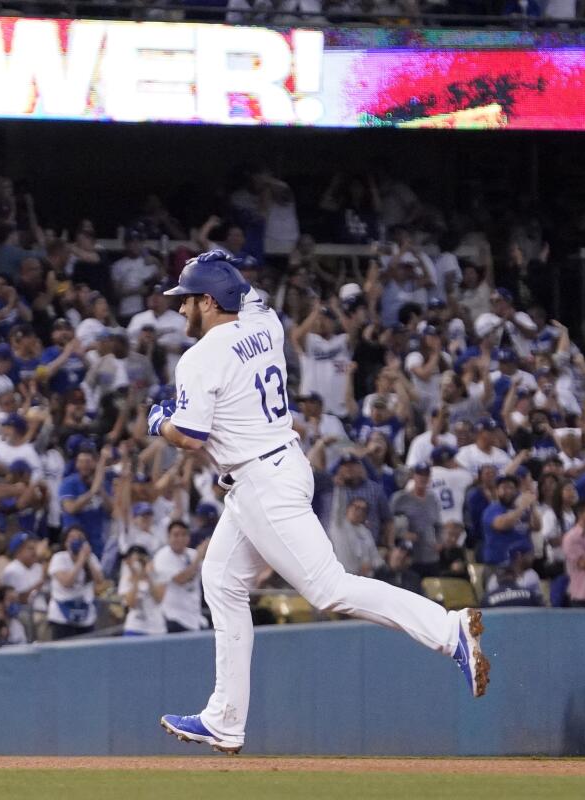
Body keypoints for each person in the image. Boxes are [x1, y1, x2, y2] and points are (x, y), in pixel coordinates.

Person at [152, 252, 488, 756]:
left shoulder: (200, 357)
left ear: (207, 300)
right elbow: (251, 297)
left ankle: (448, 629)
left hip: (263, 480)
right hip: (274, 469)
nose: (179, 310)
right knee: (220, 580)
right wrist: (224, 269)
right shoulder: (264, 323)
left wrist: (160, 421)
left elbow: (190, 437)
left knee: (329, 589)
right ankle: (224, 718)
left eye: (186, 300)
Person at [47, 526, 105, 640]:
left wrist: (87, 559)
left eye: (79, 538)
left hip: (85, 614)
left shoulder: (91, 558)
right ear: (65, 541)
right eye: (72, 538)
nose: (76, 541)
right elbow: (67, 582)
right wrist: (80, 561)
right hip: (61, 615)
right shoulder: (59, 558)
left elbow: (100, 581)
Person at [153, 520, 208, 633]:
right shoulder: (163, 556)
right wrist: (198, 557)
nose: (180, 538)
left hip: (194, 617)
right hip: (173, 618)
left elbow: (209, 575)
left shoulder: (191, 554)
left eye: (184, 534)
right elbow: (181, 579)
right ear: (168, 537)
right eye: (176, 535)